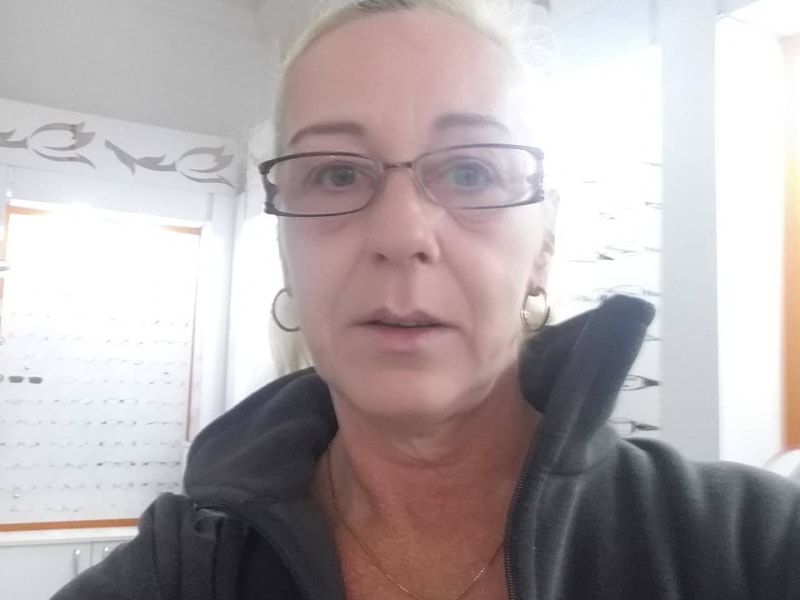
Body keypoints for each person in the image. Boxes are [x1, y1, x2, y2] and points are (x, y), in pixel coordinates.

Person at [53, 1, 800, 599]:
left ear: (543, 244)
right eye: (336, 173)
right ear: (284, 246)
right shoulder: (178, 574)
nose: (402, 234)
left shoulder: (753, 544)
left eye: (470, 172)